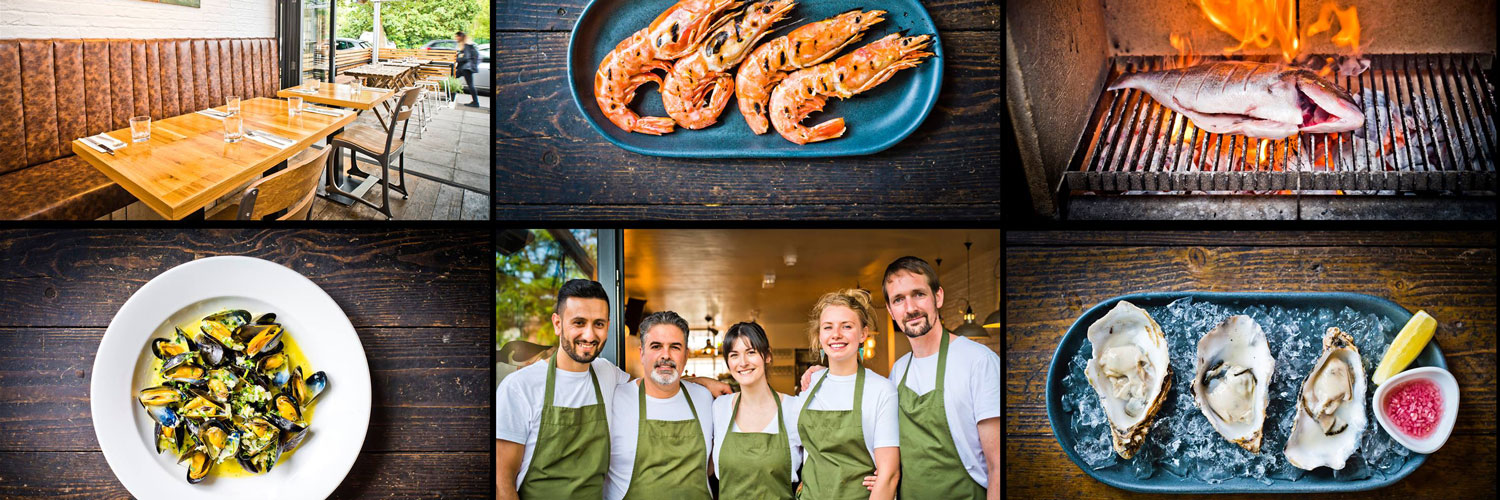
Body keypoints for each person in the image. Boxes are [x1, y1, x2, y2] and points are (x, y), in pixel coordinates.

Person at [496, 280, 728, 500]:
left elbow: (657, 380)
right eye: (579, 322)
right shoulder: (520, 387)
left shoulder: (607, 374)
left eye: (598, 324)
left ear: (607, 326)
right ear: (558, 324)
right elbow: (502, 482)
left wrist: (705, 382)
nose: (589, 334)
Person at [883, 256, 1000, 500]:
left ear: (938, 297)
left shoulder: (978, 361)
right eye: (899, 300)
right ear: (890, 311)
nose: (910, 308)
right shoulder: (898, 371)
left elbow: (998, 466)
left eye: (918, 294)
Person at [797, 289, 900, 500]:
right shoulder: (810, 385)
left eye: (847, 326)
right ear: (819, 336)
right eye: (828, 327)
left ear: (863, 334)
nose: (836, 334)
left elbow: (889, 475)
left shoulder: (881, 390)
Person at [605, 311, 715, 500]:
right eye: (656, 346)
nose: (666, 355)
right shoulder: (615, 398)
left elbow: (712, 466)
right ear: (642, 353)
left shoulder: (704, 398)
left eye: (675, 347)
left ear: (686, 356)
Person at [711, 322, 801, 500]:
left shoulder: (794, 408)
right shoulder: (718, 407)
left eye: (751, 352)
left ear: (767, 355)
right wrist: (705, 381)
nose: (743, 362)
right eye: (734, 355)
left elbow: (825, 457)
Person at [454, 30, 481, 107]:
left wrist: (456, 59)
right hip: (465, 67)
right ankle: (452, 96)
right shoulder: (467, 44)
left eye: (456, 37)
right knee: (453, 78)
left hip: (466, 68)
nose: (456, 38)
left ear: (460, 37)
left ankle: (476, 102)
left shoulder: (466, 45)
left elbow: (466, 57)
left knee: (470, 84)